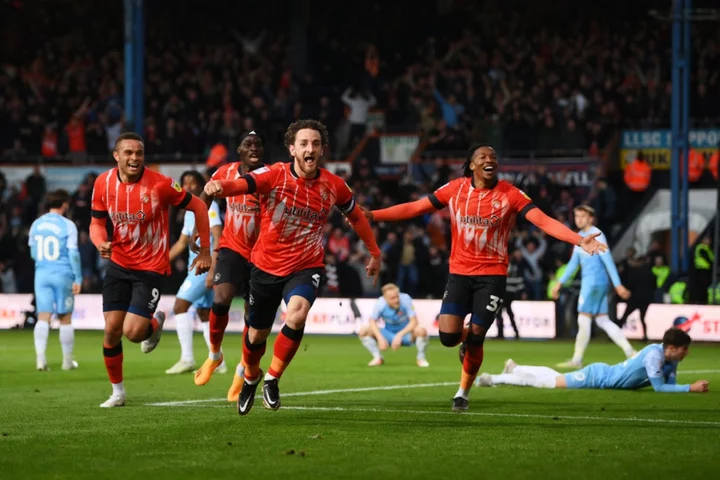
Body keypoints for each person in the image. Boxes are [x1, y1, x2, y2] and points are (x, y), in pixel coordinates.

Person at [364, 144, 607, 411]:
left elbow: (543, 221)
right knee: (447, 337)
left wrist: (578, 239)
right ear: (471, 165)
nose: (489, 160)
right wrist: (374, 215)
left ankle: (463, 392)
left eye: (493, 157)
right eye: (483, 157)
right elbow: (417, 207)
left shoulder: (510, 194)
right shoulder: (455, 189)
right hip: (459, 273)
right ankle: (464, 336)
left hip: (492, 276)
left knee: (477, 336)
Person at [204, 119, 382, 415]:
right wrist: (222, 186)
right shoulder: (273, 174)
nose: (309, 148)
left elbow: (357, 217)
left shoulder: (334, 184)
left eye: (315, 144)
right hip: (264, 266)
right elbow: (245, 183)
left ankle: (272, 378)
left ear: (322, 150)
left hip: (306, 264)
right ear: (292, 149)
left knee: (297, 314)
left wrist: (374, 252)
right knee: (256, 335)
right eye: (303, 143)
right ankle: (251, 377)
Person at [89, 132, 212, 408]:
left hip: (150, 267)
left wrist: (205, 251)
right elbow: (96, 222)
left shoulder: (160, 185)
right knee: (111, 330)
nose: (135, 158)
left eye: (139, 153)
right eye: (129, 153)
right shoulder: (103, 183)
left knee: (133, 333)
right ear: (116, 156)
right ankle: (118, 392)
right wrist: (100, 242)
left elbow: (199, 206)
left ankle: (154, 323)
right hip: (119, 263)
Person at [191, 132, 264, 404]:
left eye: (258, 145)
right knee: (220, 300)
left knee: (253, 318)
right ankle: (214, 355)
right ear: (239, 151)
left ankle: (242, 369)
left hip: (262, 255)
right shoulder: (226, 171)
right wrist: (200, 227)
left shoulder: (271, 177)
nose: (254, 148)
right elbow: (205, 196)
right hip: (232, 248)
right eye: (248, 145)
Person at [477, 328, 709, 394]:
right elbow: (660, 388)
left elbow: (670, 382)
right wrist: (691, 388)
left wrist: (683, 387)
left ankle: (516, 368)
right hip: (598, 377)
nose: (686, 354)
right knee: (547, 383)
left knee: (552, 377)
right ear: (671, 348)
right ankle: (492, 378)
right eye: (684, 350)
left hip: (605, 374)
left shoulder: (669, 358)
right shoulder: (654, 355)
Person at [551, 205, 635, 368]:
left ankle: (577, 359)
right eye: (577, 216)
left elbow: (608, 260)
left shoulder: (597, 235)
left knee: (583, 318)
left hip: (593, 283)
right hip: (598, 283)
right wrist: (559, 283)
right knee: (603, 320)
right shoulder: (580, 237)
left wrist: (618, 285)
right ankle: (630, 352)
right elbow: (573, 264)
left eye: (583, 216)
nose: (579, 220)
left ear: (591, 218)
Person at [164, 171, 224, 374]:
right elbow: (182, 243)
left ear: (201, 185)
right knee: (204, 314)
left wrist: (212, 271)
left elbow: (218, 237)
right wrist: (160, 262)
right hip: (199, 268)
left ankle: (187, 359)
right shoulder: (191, 211)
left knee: (180, 306)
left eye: (192, 182)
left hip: (203, 269)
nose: (188, 187)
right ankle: (218, 361)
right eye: (185, 183)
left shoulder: (210, 206)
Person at [29, 189, 82, 371]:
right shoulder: (68, 225)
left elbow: (33, 253)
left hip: (42, 274)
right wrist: (78, 277)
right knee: (65, 317)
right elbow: (73, 254)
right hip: (62, 273)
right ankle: (67, 361)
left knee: (43, 316)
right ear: (65, 204)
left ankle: (40, 359)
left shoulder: (36, 224)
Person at [358, 283, 430, 367]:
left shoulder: (406, 299)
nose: (396, 300)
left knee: (421, 331)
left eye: (397, 296)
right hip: (388, 333)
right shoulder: (380, 303)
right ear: (385, 299)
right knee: (363, 331)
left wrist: (399, 335)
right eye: (392, 298)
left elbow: (414, 321)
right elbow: (372, 321)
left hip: (406, 334)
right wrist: (380, 338)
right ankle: (378, 358)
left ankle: (421, 358)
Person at [618, 255, 656, 341]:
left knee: (625, 316)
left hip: (635, 299)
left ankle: (617, 335)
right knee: (642, 318)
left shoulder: (635, 272)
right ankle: (645, 336)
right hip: (645, 300)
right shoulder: (651, 273)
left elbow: (630, 284)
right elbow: (654, 287)